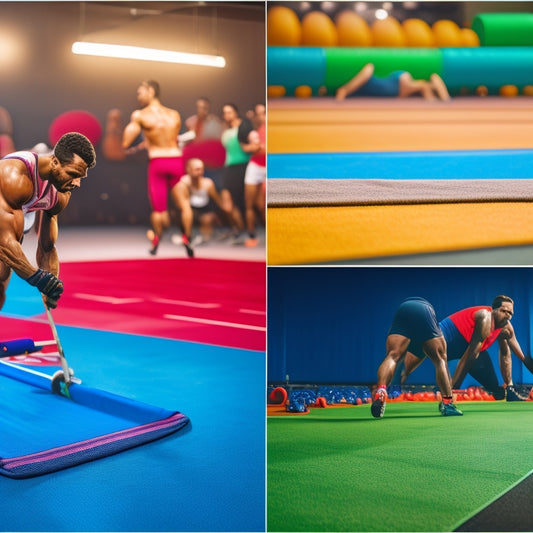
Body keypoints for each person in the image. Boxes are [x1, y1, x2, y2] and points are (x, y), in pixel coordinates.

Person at [0, 132, 96, 309]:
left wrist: (50, 287)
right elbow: (5, 243)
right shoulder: (15, 176)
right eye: (73, 174)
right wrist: (38, 278)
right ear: (54, 162)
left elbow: (47, 246)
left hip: (19, 212)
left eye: (80, 177)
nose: (77, 183)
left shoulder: (61, 193)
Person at [401, 296, 533, 401]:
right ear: (494, 309)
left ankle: (503, 391)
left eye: (510, 313)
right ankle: (393, 387)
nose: (508, 315)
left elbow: (519, 355)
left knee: (497, 391)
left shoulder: (506, 328)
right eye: (504, 311)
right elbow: (470, 355)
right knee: (407, 367)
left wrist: (508, 385)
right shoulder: (485, 317)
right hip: (447, 338)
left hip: (471, 348)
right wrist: (452, 390)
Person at [371, 297, 463, 418]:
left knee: (392, 355)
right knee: (440, 360)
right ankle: (447, 404)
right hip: (424, 308)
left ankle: (381, 390)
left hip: (404, 308)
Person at [122, 80, 184, 255]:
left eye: (140, 92)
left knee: (158, 209)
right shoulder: (174, 114)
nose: (138, 96)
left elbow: (126, 141)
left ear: (150, 91)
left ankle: (156, 240)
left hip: (158, 161)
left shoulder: (140, 115)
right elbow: (174, 139)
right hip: (176, 159)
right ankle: (187, 237)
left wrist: (128, 142)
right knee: (184, 205)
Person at [172, 158, 234, 255]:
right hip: (189, 211)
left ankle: (205, 237)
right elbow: (179, 205)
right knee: (187, 213)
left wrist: (227, 208)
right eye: (197, 169)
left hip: (204, 211)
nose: (200, 172)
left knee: (208, 219)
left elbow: (218, 202)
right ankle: (187, 238)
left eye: (201, 169)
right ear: (189, 169)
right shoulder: (183, 184)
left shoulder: (208, 183)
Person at [220, 103, 252, 244]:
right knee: (227, 203)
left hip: (244, 166)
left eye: (229, 112)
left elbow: (252, 144)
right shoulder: (226, 132)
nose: (227, 115)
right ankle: (238, 230)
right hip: (229, 168)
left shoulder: (244, 127)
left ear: (236, 112)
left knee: (246, 202)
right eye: (224, 113)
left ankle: (250, 232)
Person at [335, 63, 450, 101]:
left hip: (391, 87)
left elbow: (432, 96)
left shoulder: (412, 89)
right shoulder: (413, 84)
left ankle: (345, 90)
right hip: (392, 83)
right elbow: (434, 82)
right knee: (368, 70)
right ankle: (345, 90)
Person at [242, 103, 266, 248]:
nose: (261, 116)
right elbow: (248, 148)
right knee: (250, 205)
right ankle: (251, 236)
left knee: (263, 205)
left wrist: (254, 148)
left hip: (268, 167)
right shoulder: (252, 129)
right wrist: (254, 148)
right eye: (258, 113)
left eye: (263, 113)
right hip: (255, 166)